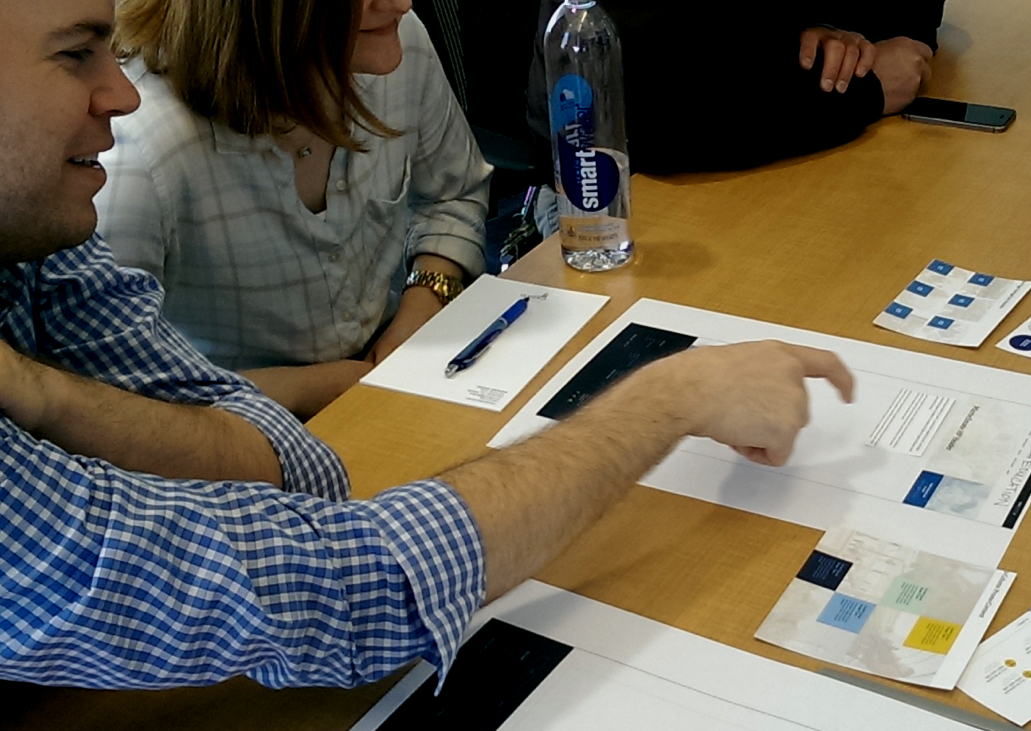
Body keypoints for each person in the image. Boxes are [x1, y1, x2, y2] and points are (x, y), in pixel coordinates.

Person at [1, 0, 854, 691]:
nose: (117, 94)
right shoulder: (124, 170)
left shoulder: (37, 242)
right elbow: (344, 593)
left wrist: (50, 398)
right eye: (76, 55)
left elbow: (304, 469)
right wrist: (667, 401)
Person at [95, 0, 490, 419]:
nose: (402, 3)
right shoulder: (138, 155)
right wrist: (331, 386)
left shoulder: (391, 40)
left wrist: (421, 306)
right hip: (233, 431)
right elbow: (115, 401)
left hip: (392, 372)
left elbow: (452, 194)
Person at [524, 0, 943, 174]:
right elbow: (667, 120)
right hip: (607, 200)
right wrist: (865, 87)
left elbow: (910, 22)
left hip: (770, 142)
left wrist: (832, 32)